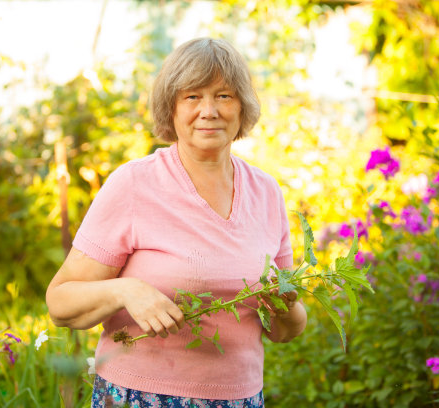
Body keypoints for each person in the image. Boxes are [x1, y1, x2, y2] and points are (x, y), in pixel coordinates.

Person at [46, 37, 307, 408]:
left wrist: (289, 307)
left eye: (224, 96)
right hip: (140, 397)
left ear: (242, 107)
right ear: (171, 108)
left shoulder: (266, 192)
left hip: (240, 400)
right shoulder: (135, 183)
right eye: (192, 97)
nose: (209, 110)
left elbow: (285, 329)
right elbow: (59, 303)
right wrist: (126, 290)